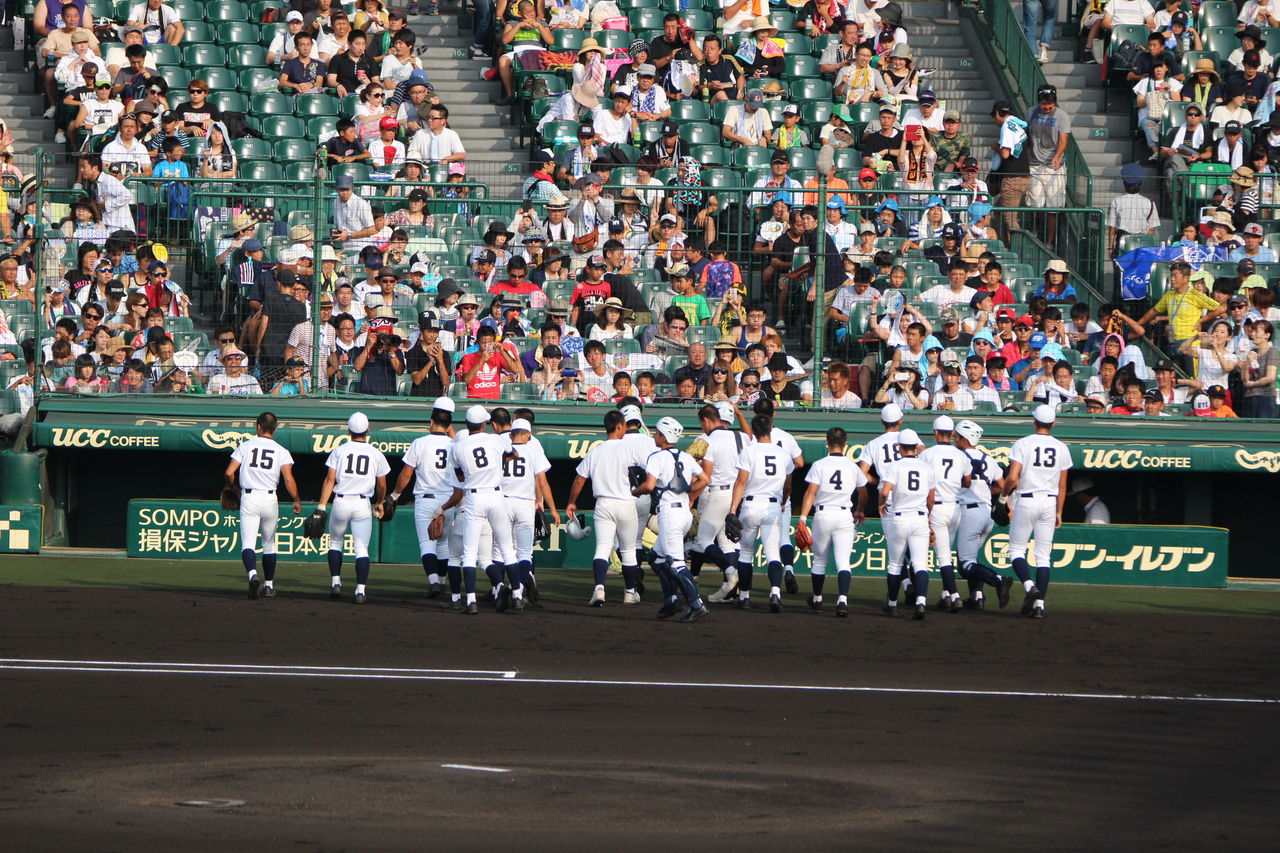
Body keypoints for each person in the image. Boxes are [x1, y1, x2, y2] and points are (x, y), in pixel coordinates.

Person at [439, 405, 517, 615]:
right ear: (484, 424)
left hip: (473, 497)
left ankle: (470, 601)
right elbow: (514, 454)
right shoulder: (496, 440)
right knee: (507, 550)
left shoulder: (457, 448)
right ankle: (517, 595)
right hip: (495, 494)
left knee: (469, 554)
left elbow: (461, 478)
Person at [566, 409, 646, 606]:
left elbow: (579, 479)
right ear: (619, 426)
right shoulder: (629, 449)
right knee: (628, 551)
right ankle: (629, 592)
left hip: (603, 504)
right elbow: (646, 472)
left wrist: (571, 501)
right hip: (626, 502)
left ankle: (599, 589)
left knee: (602, 548)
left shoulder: (597, 450)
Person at [633, 416, 709, 623]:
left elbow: (648, 486)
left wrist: (635, 491)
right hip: (683, 511)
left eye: (657, 433)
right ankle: (671, 601)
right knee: (656, 558)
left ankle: (696, 605)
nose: (655, 436)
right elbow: (705, 479)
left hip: (670, 514)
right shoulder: (685, 456)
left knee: (676, 564)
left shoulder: (657, 458)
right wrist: (686, 490)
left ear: (662, 435)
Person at [1000, 404, 1073, 620]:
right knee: (1043, 557)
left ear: (1034, 421)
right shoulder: (1061, 447)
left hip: (1026, 500)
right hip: (1050, 502)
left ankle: (1030, 587)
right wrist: (1059, 511)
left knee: (1015, 551)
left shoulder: (1023, 443)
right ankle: (1039, 606)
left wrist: (1003, 498)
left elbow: (1012, 478)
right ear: (1053, 424)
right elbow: (1062, 486)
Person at [314, 412, 390, 605]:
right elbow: (382, 484)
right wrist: (380, 502)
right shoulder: (375, 453)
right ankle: (360, 591)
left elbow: (330, 480)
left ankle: (335, 583)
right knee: (361, 548)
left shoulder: (340, 450)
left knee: (335, 543)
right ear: (368, 430)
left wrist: (322, 506)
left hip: (341, 501)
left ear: (348, 430)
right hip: (362, 503)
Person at [224, 411, 302, 600]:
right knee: (269, 544)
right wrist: (296, 499)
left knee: (248, 544)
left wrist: (232, 486)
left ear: (258, 427)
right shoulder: (281, 450)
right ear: (274, 429)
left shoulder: (246, 446)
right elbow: (288, 478)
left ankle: (252, 575)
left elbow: (229, 472)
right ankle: (269, 586)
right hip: (270, 498)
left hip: (249, 497)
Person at [795, 426, 868, 618]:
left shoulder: (820, 464)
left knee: (819, 560)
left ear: (827, 443)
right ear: (845, 444)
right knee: (843, 561)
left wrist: (802, 518)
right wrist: (859, 510)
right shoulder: (852, 466)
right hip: (844, 515)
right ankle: (842, 600)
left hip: (823, 515)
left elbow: (810, 493)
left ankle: (818, 599)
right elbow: (864, 492)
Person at [726, 414, 794, 613]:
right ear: (771, 428)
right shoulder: (783, 453)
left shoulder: (749, 451)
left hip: (750, 504)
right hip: (772, 505)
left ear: (753, 432)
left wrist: (732, 509)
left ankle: (745, 597)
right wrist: (784, 500)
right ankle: (775, 594)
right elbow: (789, 484)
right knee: (773, 553)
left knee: (746, 554)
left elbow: (741, 482)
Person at [950, 420, 1013, 609]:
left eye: (957, 436)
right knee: (972, 558)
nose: (955, 440)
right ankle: (977, 597)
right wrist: (1001, 503)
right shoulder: (989, 458)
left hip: (969, 513)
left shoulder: (957, 456)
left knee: (965, 564)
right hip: (987, 513)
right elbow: (1002, 486)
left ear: (964, 438)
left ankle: (999, 580)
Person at [497, 417, 557, 612]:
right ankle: (518, 593)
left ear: (511, 434)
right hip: (525, 505)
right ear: (529, 435)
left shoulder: (501, 451)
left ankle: (498, 590)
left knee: (502, 551)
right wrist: (553, 509)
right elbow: (543, 483)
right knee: (524, 553)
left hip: (503, 502)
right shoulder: (533, 451)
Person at [879, 428, 934, 620]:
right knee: (920, 564)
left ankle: (892, 604)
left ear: (900, 447)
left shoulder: (895, 466)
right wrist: (928, 515)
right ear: (916, 447)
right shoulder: (926, 467)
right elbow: (931, 498)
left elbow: (885, 491)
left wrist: (880, 503)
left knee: (895, 564)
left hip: (900, 516)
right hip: (920, 517)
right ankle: (921, 603)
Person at [919, 415, 972, 612]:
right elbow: (968, 481)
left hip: (937, 507)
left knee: (943, 556)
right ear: (952, 434)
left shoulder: (927, 455)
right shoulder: (961, 455)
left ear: (934, 433)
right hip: (956, 506)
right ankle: (946, 596)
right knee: (946, 553)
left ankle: (955, 595)